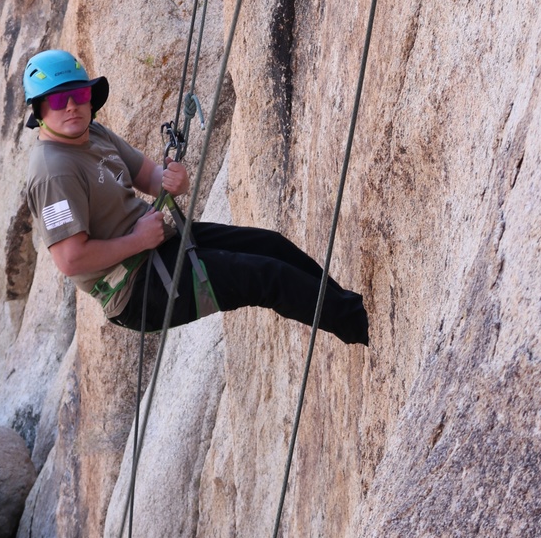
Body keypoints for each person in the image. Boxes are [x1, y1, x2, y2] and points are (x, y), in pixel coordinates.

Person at [23, 49, 369, 344]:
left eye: (79, 95)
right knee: (266, 277)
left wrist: (174, 178)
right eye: (57, 100)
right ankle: (363, 325)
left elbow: (151, 177)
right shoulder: (53, 171)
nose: (71, 107)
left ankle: (355, 307)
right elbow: (71, 260)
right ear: (39, 111)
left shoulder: (93, 132)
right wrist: (139, 240)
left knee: (273, 247)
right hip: (136, 289)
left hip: (158, 247)